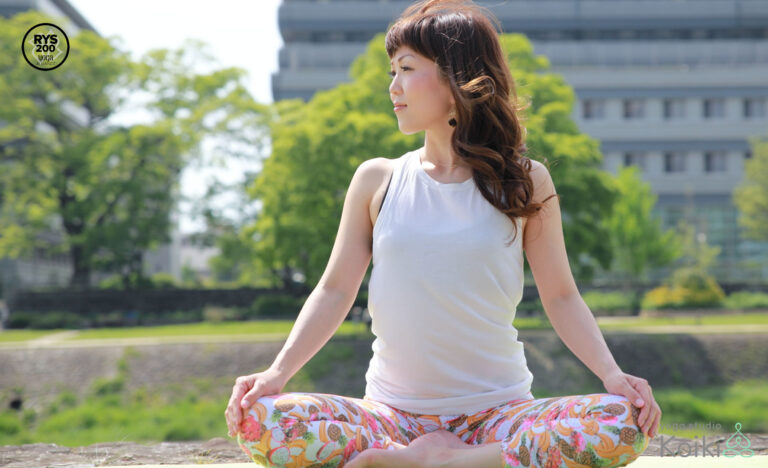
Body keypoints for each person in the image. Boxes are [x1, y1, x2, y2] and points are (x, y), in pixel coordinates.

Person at [224, 0, 661, 466]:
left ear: (457, 78)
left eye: (406, 69)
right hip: (390, 416)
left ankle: (431, 461)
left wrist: (613, 375)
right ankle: (468, 459)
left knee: (621, 422)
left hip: (500, 415)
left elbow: (561, 297)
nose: (393, 86)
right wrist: (276, 373)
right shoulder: (377, 180)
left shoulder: (524, 181)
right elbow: (334, 291)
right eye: (392, 71)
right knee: (260, 420)